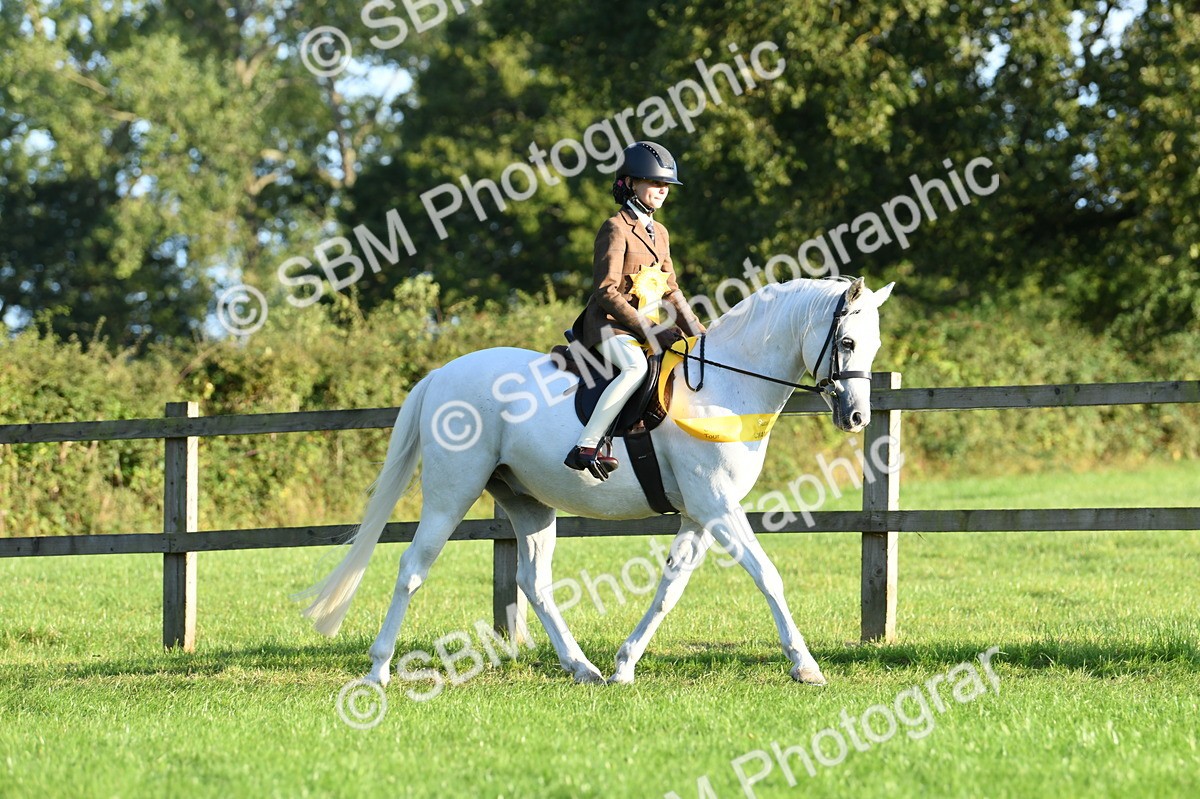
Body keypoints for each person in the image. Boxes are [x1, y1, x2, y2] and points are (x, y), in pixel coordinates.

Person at [564, 141, 707, 477]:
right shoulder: (615, 227)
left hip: (648, 327)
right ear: (630, 183)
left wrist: (699, 333)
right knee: (635, 369)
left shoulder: (660, 232)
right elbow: (605, 291)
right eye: (655, 183)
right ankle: (587, 443)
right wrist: (652, 329)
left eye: (666, 185)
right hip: (610, 326)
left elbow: (671, 290)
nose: (662, 191)